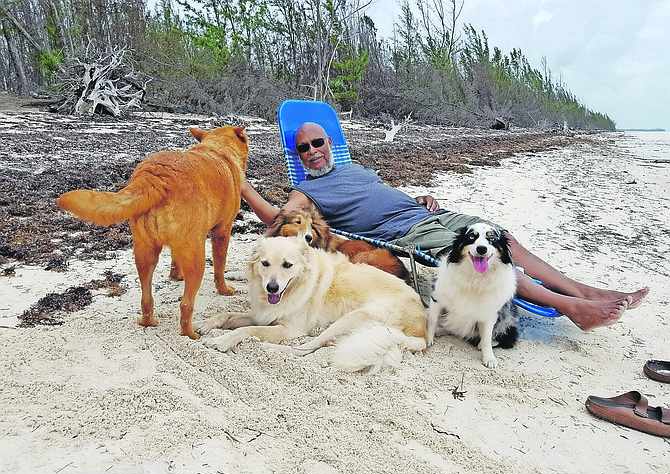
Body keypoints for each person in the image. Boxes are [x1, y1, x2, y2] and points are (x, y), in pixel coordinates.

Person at [241, 121, 649, 331]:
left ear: (330, 143)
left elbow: (383, 194)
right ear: (299, 156)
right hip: (410, 235)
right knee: (482, 255)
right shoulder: (306, 191)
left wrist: (419, 198)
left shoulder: (359, 169)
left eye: (318, 144)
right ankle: (572, 307)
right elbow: (276, 219)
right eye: (304, 149)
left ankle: (583, 289)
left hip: (427, 214)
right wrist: (238, 183)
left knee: (503, 236)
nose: (312, 152)